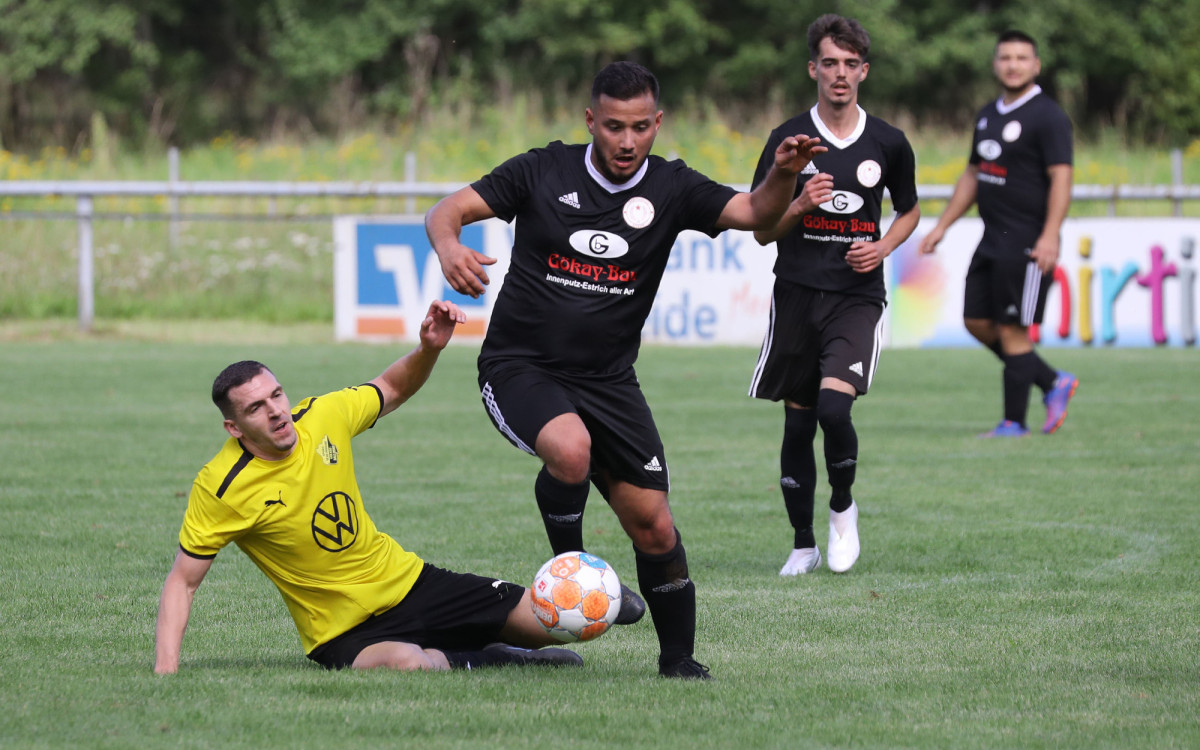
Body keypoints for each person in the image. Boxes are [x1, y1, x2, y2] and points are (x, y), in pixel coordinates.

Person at [425, 61, 822, 679]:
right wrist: (450, 246)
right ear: (592, 121)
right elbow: (447, 209)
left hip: (610, 380)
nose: (628, 141)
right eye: (614, 126)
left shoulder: (673, 187)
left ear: (658, 123)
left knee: (655, 525)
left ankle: (679, 661)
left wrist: (783, 173)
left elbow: (753, 213)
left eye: (641, 127)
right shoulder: (541, 170)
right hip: (518, 366)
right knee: (571, 449)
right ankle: (574, 568)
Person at [154, 301, 588, 674]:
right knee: (411, 663)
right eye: (255, 408)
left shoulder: (323, 416)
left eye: (276, 395)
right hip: (340, 630)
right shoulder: (222, 486)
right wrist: (165, 673)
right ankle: (499, 659)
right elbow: (182, 582)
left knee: (556, 622)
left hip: (408, 582)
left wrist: (428, 349)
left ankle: (589, 603)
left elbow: (393, 387)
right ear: (234, 427)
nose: (275, 411)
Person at [748, 14, 920, 577]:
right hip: (796, 294)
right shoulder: (789, 140)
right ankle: (802, 544)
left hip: (856, 296)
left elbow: (909, 209)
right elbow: (762, 228)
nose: (840, 74)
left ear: (863, 71)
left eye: (850, 64)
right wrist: (799, 204)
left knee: (832, 406)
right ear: (813, 69)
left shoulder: (889, 142)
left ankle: (842, 507)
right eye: (830, 63)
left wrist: (884, 247)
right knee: (797, 424)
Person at [918, 30, 1078, 438]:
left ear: (1036, 65)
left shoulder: (1049, 116)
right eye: (1005, 57)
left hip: (1027, 241)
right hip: (991, 239)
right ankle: (1051, 380)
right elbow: (974, 173)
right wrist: (942, 225)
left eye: (1022, 58)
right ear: (995, 64)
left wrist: (1050, 235)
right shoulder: (988, 114)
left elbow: (1062, 178)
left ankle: (1013, 422)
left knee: (1013, 330)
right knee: (975, 321)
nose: (1013, 64)